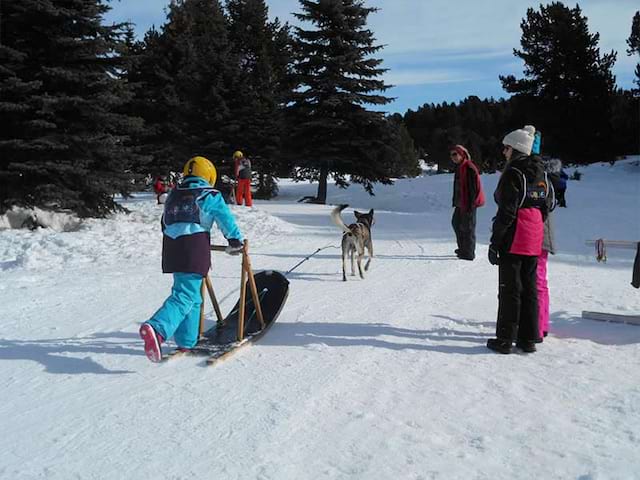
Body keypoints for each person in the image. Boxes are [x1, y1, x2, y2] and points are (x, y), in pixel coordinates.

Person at [139, 156, 244, 363]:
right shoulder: (209, 194)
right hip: (193, 246)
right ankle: (157, 328)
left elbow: (164, 221)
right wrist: (234, 240)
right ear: (209, 175)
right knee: (185, 295)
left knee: (192, 295)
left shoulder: (174, 195)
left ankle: (186, 340)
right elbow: (224, 217)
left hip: (172, 246)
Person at [487, 125, 551, 354]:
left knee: (509, 288)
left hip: (515, 235)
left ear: (514, 149)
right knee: (529, 287)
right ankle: (528, 338)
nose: (504, 152)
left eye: (506, 148)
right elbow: (549, 203)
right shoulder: (540, 171)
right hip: (534, 235)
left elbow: (507, 212)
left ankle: (505, 338)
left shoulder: (513, 172)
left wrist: (495, 243)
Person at [450, 145, 485, 260]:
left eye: (455, 154)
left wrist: (471, 204)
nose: (453, 157)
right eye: (451, 155)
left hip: (468, 203)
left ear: (462, 154)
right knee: (456, 223)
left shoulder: (469, 167)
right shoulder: (460, 167)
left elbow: (473, 188)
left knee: (468, 227)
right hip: (460, 203)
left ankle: (469, 253)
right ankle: (463, 249)